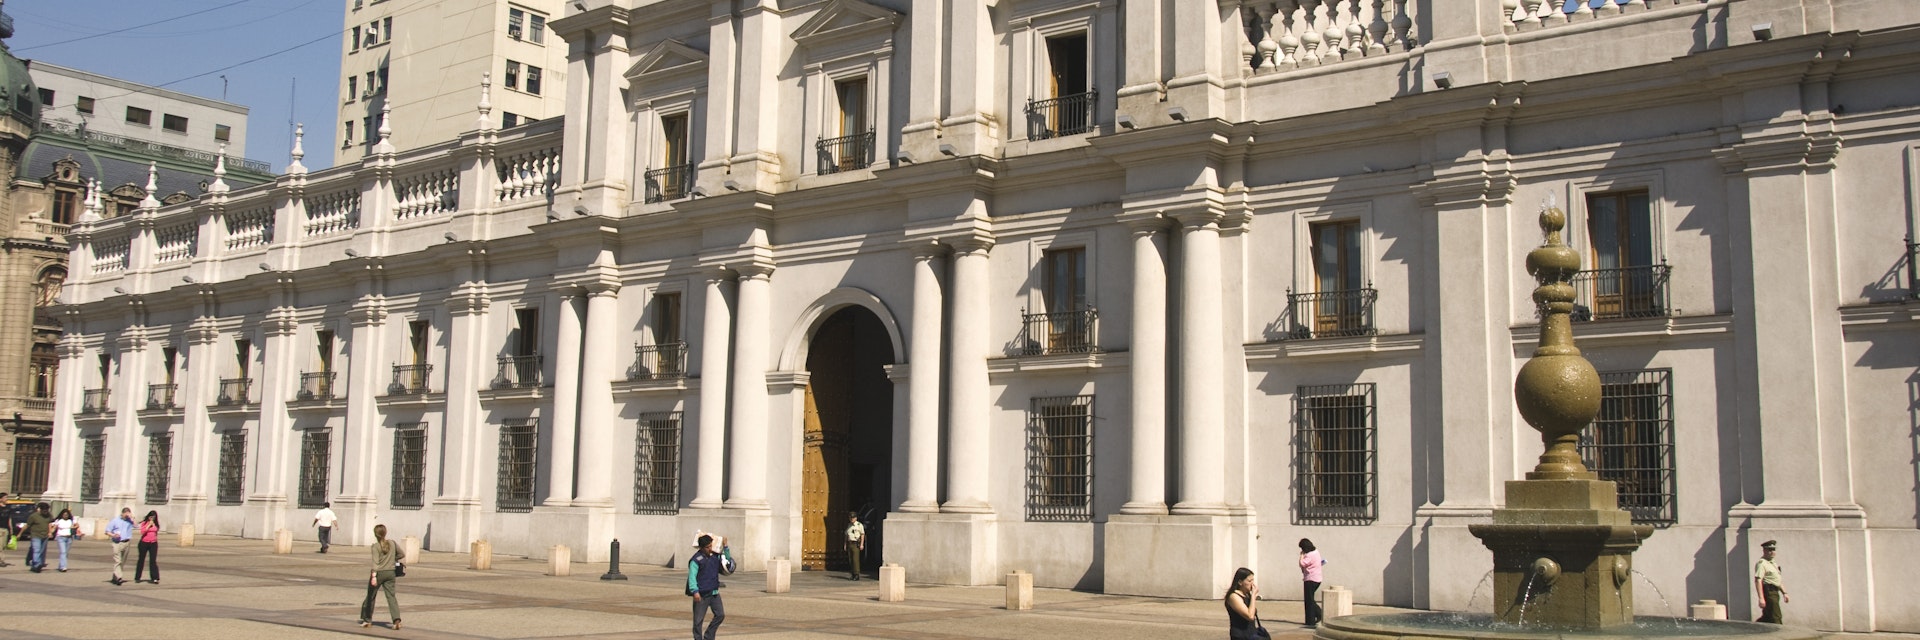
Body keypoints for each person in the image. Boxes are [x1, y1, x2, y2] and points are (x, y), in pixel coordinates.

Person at [686, 532, 735, 640]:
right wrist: (695, 591)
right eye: (707, 547)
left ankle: (708, 636)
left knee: (720, 615)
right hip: (701, 594)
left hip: (713, 592)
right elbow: (692, 577)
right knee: (698, 621)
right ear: (701, 548)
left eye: (711, 546)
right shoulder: (696, 560)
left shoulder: (715, 556)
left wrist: (726, 546)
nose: (710, 548)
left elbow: (726, 561)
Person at [359, 524, 402, 629]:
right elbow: (402, 554)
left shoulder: (375, 546)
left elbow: (375, 563)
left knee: (371, 596)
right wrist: (392, 558)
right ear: (385, 532)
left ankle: (367, 619)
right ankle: (396, 621)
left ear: (375, 534)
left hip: (379, 573)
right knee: (391, 597)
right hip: (391, 573)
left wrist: (373, 576)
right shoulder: (392, 543)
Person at [1225, 567, 1269, 639]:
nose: (1252, 584)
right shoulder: (1234, 597)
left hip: (1251, 634)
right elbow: (1250, 616)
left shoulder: (1247, 595)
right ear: (1240, 582)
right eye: (1249, 581)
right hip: (1240, 635)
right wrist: (1254, 596)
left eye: (1253, 580)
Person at [1754, 539, 1788, 623]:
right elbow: (1758, 581)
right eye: (1769, 550)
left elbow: (1778, 580)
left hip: (1775, 591)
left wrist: (1784, 593)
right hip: (1769, 591)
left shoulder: (1773, 563)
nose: (1772, 552)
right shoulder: (1762, 564)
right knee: (1776, 616)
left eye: (1773, 550)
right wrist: (1761, 598)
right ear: (1764, 550)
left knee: (1767, 617)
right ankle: (1780, 634)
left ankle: (1753, 629)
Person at [1299, 538, 1326, 628]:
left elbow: (1302, 563)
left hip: (1310, 579)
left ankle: (1311, 620)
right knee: (1310, 600)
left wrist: (1301, 556)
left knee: (1309, 601)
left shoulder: (1309, 555)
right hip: (1317, 579)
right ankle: (1317, 615)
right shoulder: (1316, 552)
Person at [105, 507, 136, 585]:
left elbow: (137, 526)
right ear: (122, 513)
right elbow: (107, 531)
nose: (126, 516)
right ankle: (119, 577)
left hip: (126, 542)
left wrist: (132, 519)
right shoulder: (115, 521)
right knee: (117, 560)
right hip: (117, 542)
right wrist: (113, 535)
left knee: (122, 561)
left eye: (128, 515)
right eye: (125, 515)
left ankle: (115, 576)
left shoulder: (129, 521)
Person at [21, 502, 52, 573]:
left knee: (41, 551)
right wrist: (20, 534)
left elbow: (50, 523)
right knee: (36, 550)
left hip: (45, 536)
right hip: (35, 535)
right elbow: (27, 525)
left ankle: (34, 565)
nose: (45, 512)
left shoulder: (49, 515)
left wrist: (50, 532)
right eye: (44, 510)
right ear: (40, 509)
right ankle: (37, 565)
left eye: (47, 510)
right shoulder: (33, 516)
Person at [135, 510, 162, 584]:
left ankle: (155, 577)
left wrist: (153, 525)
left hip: (153, 543)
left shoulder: (156, 524)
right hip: (144, 543)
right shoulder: (144, 523)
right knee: (141, 560)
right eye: (150, 517)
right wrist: (148, 525)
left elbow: (156, 530)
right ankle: (138, 577)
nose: (151, 519)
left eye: (153, 517)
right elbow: (142, 532)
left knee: (153, 561)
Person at [52, 508, 80, 572]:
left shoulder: (71, 520)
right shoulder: (58, 520)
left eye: (67, 515)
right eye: (64, 515)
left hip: (69, 538)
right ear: (62, 515)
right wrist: (50, 533)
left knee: (65, 553)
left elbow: (77, 525)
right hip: (61, 537)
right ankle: (63, 567)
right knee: (63, 552)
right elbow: (54, 527)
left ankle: (60, 565)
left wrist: (74, 527)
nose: (65, 516)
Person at [844, 511, 866, 581]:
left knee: (855, 559)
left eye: (853, 518)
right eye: (850, 518)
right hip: (850, 543)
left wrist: (862, 544)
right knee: (850, 560)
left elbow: (862, 535)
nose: (851, 519)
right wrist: (845, 544)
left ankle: (857, 574)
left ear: (856, 518)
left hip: (856, 544)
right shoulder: (849, 525)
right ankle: (852, 573)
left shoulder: (859, 525)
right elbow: (846, 535)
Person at [0, 491, 14, 568]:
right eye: (5, 497)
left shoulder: (8, 508)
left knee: (4, 546)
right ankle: (2, 561)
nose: (6, 499)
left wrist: (11, 529)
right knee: (0, 546)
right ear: (0, 499)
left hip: (6, 529)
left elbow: (9, 519)